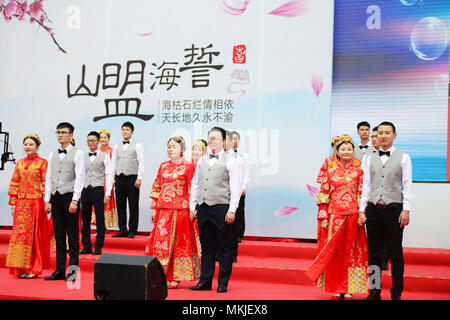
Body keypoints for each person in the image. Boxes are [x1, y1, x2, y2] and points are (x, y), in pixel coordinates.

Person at [305, 135, 369, 300]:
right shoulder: (330, 169)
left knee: (353, 252)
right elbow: (324, 193)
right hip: (334, 217)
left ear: (353, 150)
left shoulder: (360, 169)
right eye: (343, 149)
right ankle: (335, 285)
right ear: (337, 151)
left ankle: (349, 287)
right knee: (335, 253)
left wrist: (362, 212)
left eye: (349, 149)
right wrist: (324, 215)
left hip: (353, 216)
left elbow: (362, 192)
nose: (347, 151)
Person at [358, 121, 412, 300]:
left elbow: (407, 186)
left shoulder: (404, 157)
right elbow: (365, 186)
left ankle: (396, 293)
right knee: (373, 253)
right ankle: (374, 291)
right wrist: (362, 210)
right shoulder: (368, 158)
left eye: (387, 133)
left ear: (394, 135)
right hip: (373, 210)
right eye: (380, 133)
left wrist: (407, 209)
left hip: (394, 211)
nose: (383, 136)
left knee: (396, 253)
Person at [189, 127, 241, 293]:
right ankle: (205, 281)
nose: (211, 141)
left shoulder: (231, 160)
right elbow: (195, 184)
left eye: (215, 138)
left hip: (221, 207)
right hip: (203, 208)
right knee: (206, 247)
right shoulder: (202, 160)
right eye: (209, 138)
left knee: (224, 247)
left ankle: (223, 282)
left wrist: (232, 210)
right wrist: (193, 207)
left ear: (224, 141)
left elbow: (236, 187)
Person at [145, 136, 200, 289]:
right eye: (169, 146)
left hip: (181, 210)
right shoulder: (163, 166)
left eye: (174, 146)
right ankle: (160, 274)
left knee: (179, 244)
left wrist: (192, 209)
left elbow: (192, 190)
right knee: (161, 243)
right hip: (163, 211)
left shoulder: (189, 167)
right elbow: (157, 187)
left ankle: (176, 276)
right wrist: (154, 208)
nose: (170, 149)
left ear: (182, 149)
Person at [6, 134, 51, 279]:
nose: (28, 147)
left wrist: (47, 202)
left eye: (31, 144)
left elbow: (46, 184)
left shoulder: (42, 163)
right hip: (21, 204)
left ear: (37, 146)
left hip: (35, 203)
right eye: (26, 144)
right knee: (20, 236)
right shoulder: (19, 163)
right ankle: (20, 268)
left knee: (34, 236)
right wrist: (13, 204)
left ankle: (34, 268)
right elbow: (14, 183)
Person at [44, 122, 85, 281]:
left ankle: (73, 273)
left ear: (71, 135)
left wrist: (75, 200)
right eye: (58, 132)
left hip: (70, 197)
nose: (60, 135)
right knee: (59, 236)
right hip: (55, 197)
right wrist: (47, 199)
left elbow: (80, 177)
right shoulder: (52, 154)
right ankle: (59, 270)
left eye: (64, 132)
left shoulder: (78, 153)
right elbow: (48, 178)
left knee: (73, 236)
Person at [80, 131, 113, 256]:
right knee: (85, 218)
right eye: (88, 140)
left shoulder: (104, 156)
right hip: (85, 189)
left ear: (98, 141)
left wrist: (108, 193)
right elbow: (79, 174)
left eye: (93, 140)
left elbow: (109, 174)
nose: (91, 143)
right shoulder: (83, 156)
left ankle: (98, 246)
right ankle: (86, 245)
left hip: (98, 189)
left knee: (99, 218)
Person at [111, 122, 144, 238]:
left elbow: (141, 162)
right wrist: (113, 178)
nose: (125, 132)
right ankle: (122, 229)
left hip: (132, 178)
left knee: (133, 205)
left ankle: (132, 230)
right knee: (120, 205)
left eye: (127, 130)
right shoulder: (117, 145)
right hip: (119, 178)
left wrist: (139, 178)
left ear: (132, 132)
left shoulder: (137, 145)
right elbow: (113, 163)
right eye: (123, 129)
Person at [89, 129, 118, 229]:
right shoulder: (96, 151)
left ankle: (104, 225)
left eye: (105, 137)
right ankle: (98, 225)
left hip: (107, 180)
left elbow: (114, 166)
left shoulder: (112, 151)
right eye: (101, 137)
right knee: (96, 202)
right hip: (96, 180)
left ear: (109, 139)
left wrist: (113, 179)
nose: (103, 139)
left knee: (105, 201)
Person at [315, 135, 340, 252]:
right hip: (331, 198)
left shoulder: (355, 163)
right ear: (333, 147)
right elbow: (322, 180)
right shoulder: (328, 161)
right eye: (337, 146)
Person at [231, 131, 250, 262]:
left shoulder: (244, 154)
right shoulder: (225, 155)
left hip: (240, 188)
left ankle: (239, 234)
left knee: (240, 211)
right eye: (232, 139)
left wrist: (244, 186)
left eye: (236, 139)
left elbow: (246, 172)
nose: (234, 141)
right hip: (229, 189)